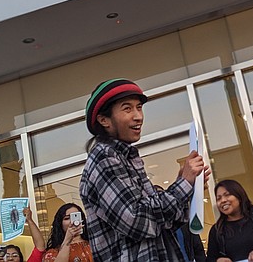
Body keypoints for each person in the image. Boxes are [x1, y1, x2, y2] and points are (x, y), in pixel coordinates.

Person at [79, 78, 209, 262]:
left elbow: (163, 224)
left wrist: (188, 189)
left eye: (139, 107)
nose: (138, 116)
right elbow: (136, 221)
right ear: (104, 120)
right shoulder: (104, 158)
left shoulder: (125, 157)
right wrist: (183, 186)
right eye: (127, 108)